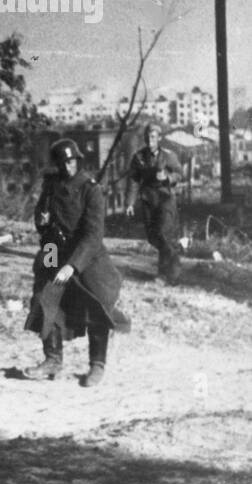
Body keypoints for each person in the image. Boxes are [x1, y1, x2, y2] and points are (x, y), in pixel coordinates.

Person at [22, 138, 129, 387]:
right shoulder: (51, 185)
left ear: (77, 160)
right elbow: (40, 219)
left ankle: (97, 365)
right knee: (43, 297)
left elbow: (93, 235)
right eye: (62, 161)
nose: (67, 166)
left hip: (87, 256)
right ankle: (52, 359)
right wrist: (42, 221)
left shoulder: (90, 189)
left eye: (71, 161)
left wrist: (73, 265)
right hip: (53, 248)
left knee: (98, 305)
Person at [125, 123, 184, 283]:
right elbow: (134, 179)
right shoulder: (139, 157)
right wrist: (130, 203)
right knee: (153, 237)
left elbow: (179, 173)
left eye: (152, 137)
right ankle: (172, 263)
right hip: (148, 199)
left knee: (164, 234)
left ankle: (168, 273)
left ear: (159, 138)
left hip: (165, 198)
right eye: (147, 136)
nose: (149, 140)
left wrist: (167, 178)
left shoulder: (168, 156)